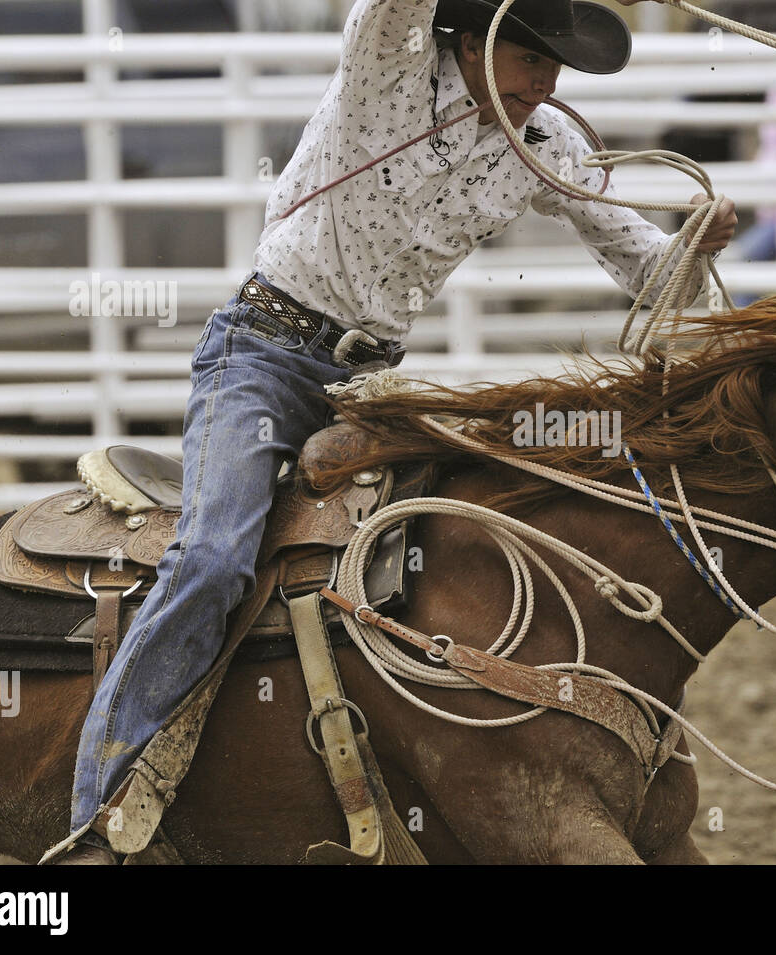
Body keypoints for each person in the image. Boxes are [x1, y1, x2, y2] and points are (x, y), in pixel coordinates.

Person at [49, 0, 738, 864]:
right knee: (215, 554)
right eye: (531, 59)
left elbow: (636, 254)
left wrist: (693, 250)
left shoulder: (547, 144)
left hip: (370, 384)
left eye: (554, 68)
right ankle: (97, 817)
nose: (545, 84)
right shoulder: (389, 72)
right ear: (473, 40)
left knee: (468, 539)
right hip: (262, 352)